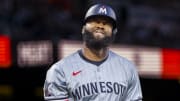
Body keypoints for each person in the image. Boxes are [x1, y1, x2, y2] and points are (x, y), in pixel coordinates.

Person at [43, 3, 143, 101]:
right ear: (83, 29)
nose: (100, 26)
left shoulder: (128, 69)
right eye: (95, 21)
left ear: (114, 32)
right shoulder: (60, 70)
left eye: (106, 23)